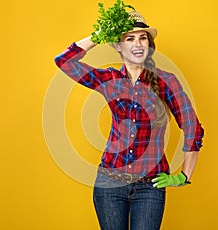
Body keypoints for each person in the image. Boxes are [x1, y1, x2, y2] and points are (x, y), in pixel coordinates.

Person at [54, 11, 204, 230]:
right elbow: (64, 61)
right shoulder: (110, 80)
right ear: (118, 46)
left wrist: (183, 176)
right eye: (130, 38)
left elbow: (193, 128)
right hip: (109, 184)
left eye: (143, 37)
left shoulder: (166, 81)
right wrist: (98, 36)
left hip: (149, 187)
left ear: (149, 44)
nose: (138, 44)